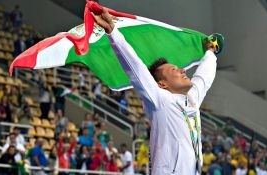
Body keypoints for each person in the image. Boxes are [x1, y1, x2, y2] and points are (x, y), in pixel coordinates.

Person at [93, 9, 219, 175]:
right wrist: (113, 32)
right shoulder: (161, 100)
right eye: (174, 69)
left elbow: (204, 76)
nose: (182, 70)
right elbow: (135, 69)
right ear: (162, 84)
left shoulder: (192, 99)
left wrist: (211, 52)